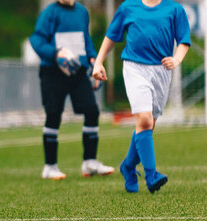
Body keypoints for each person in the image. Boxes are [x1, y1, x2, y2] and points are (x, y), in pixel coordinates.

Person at [93, 0, 190, 193]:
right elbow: (111, 36)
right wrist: (98, 62)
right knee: (144, 121)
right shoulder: (128, 7)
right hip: (134, 68)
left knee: (147, 126)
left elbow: (183, 41)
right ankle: (151, 175)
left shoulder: (175, 9)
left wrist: (176, 59)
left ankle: (128, 167)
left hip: (162, 71)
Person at [30, 0, 114, 180]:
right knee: (53, 114)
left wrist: (93, 62)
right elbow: (36, 39)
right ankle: (50, 166)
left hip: (77, 72)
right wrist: (55, 53)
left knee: (92, 111)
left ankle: (90, 162)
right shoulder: (50, 13)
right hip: (53, 71)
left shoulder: (82, 12)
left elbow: (85, 40)